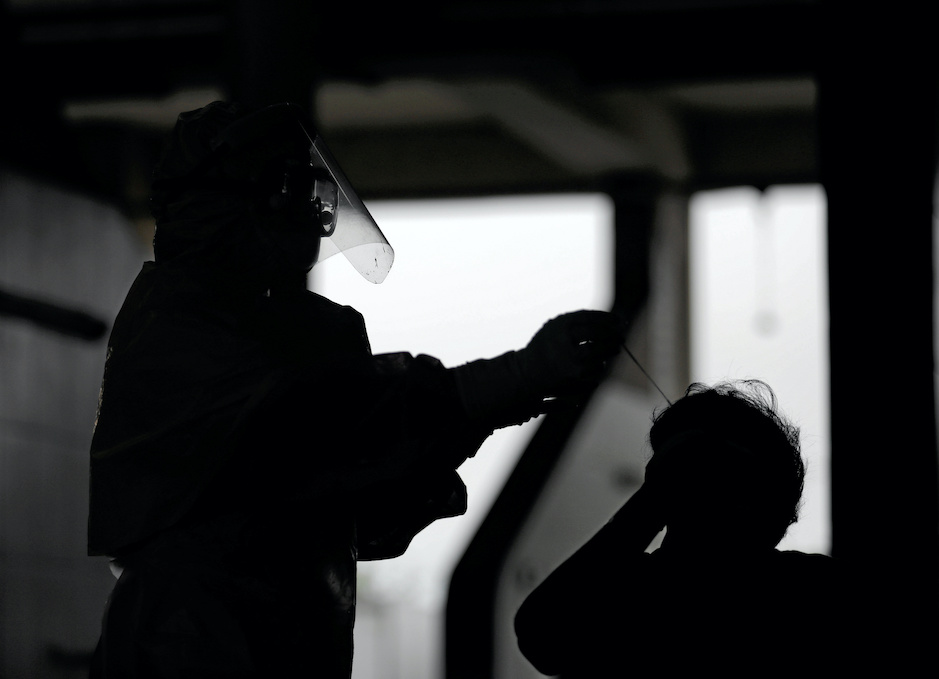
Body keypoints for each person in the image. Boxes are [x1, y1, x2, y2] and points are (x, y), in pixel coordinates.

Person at [87, 100, 623, 678]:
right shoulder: (189, 329)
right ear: (233, 203)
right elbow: (333, 415)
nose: (313, 210)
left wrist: (476, 416)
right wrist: (508, 380)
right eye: (292, 187)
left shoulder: (255, 330)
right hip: (199, 643)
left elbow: (359, 497)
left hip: (264, 636)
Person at [514, 380, 863, 678]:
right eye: (690, 468)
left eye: (727, 472)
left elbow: (542, 637)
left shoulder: (813, 588)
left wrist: (649, 503)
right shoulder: (814, 589)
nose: (707, 485)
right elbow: (542, 637)